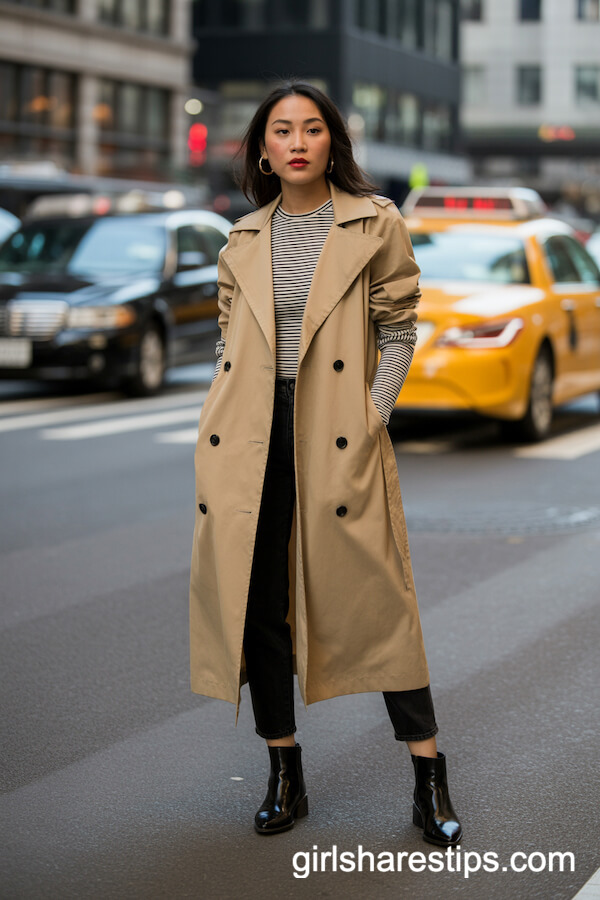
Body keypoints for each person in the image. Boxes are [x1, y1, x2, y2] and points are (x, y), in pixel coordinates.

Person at [189, 79, 462, 847]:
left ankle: (429, 777)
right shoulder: (241, 239)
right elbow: (226, 345)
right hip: (249, 438)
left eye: (312, 128)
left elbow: (399, 332)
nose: (298, 141)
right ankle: (285, 771)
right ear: (264, 150)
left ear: (331, 142)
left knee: (383, 602)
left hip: (337, 433)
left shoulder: (375, 223)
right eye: (283, 130)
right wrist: (215, 417)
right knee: (261, 605)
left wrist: (369, 419)